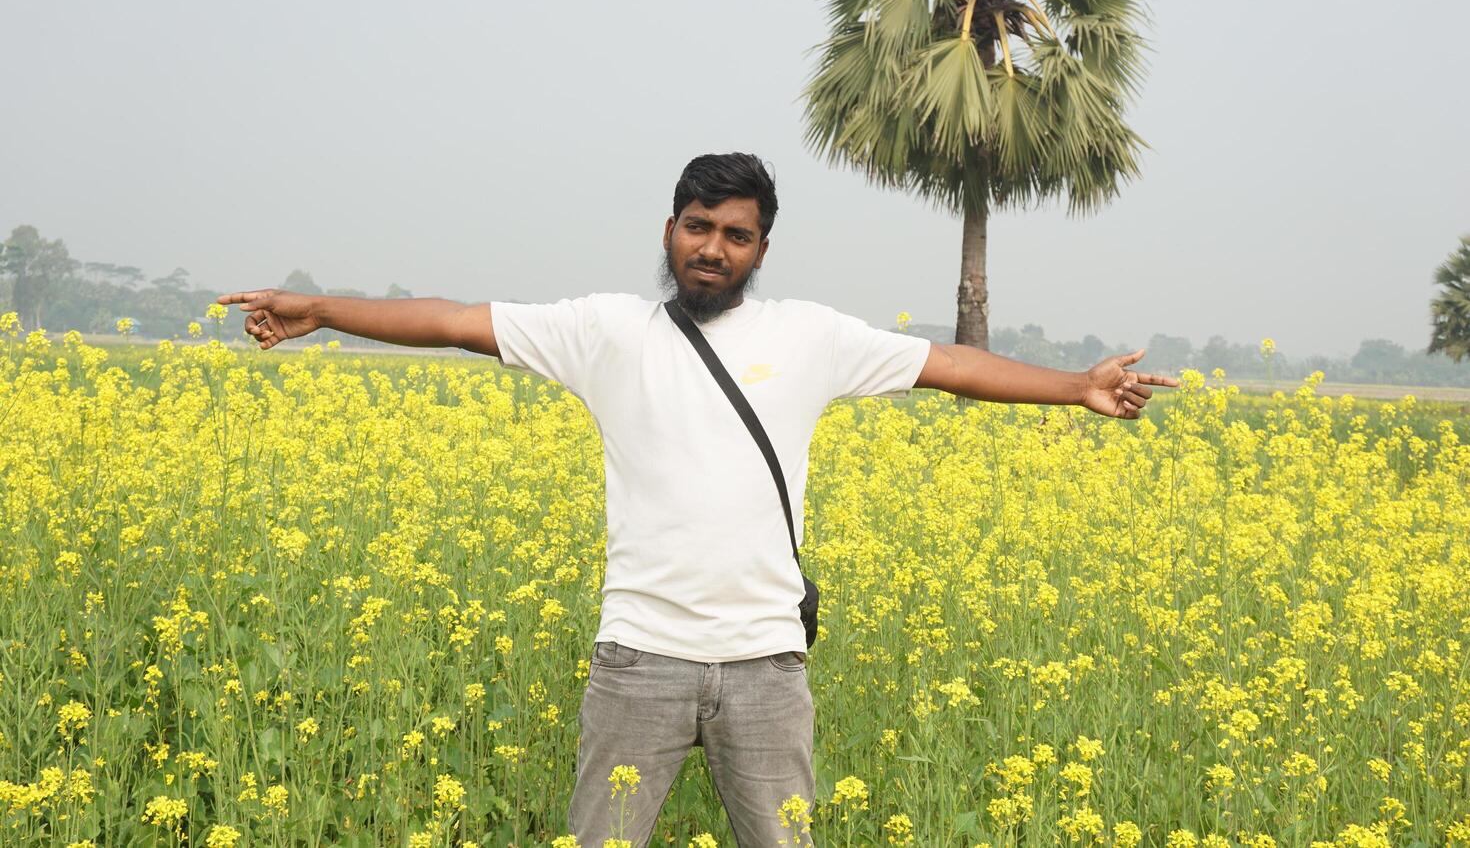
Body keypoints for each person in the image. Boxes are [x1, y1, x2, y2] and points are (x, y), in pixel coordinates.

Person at [216, 151, 1179, 846]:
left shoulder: (808, 337)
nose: (713, 248)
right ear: (669, 231)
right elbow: (457, 320)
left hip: (766, 667)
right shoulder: (605, 332)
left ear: (763, 249)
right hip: (639, 660)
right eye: (697, 227)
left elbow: (949, 364)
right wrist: (322, 310)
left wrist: (1078, 389)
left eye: (736, 235)